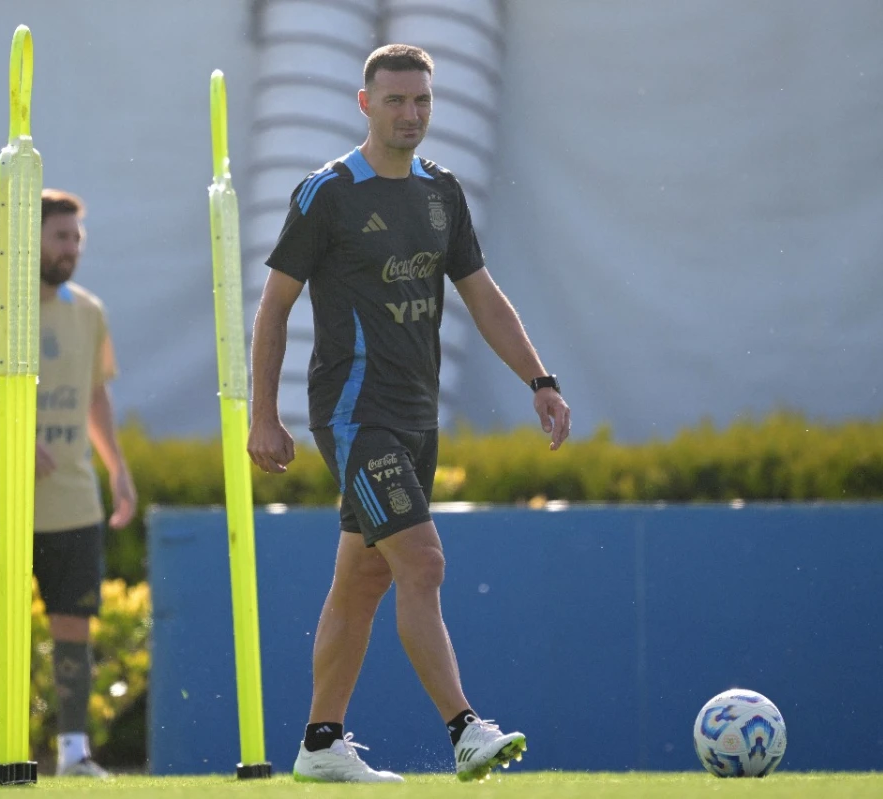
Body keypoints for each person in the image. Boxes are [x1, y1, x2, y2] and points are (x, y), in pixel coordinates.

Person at [247, 44, 572, 783]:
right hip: (355, 415)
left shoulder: (442, 192)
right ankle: (465, 728)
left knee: (363, 582)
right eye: (395, 100)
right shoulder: (326, 193)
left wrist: (540, 379)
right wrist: (264, 416)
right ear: (366, 104)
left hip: (418, 417)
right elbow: (274, 307)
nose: (411, 113)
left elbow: (482, 295)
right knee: (423, 561)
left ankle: (321, 742)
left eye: (421, 100)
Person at [0, 189, 137, 778]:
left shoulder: (91, 312)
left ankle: (75, 755)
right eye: (60, 237)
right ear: (31, 241)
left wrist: (118, 469)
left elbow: (95, 395)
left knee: (73, 630)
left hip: (74, 505)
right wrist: (14, 438)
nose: (71, 248)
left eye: (77, 237)